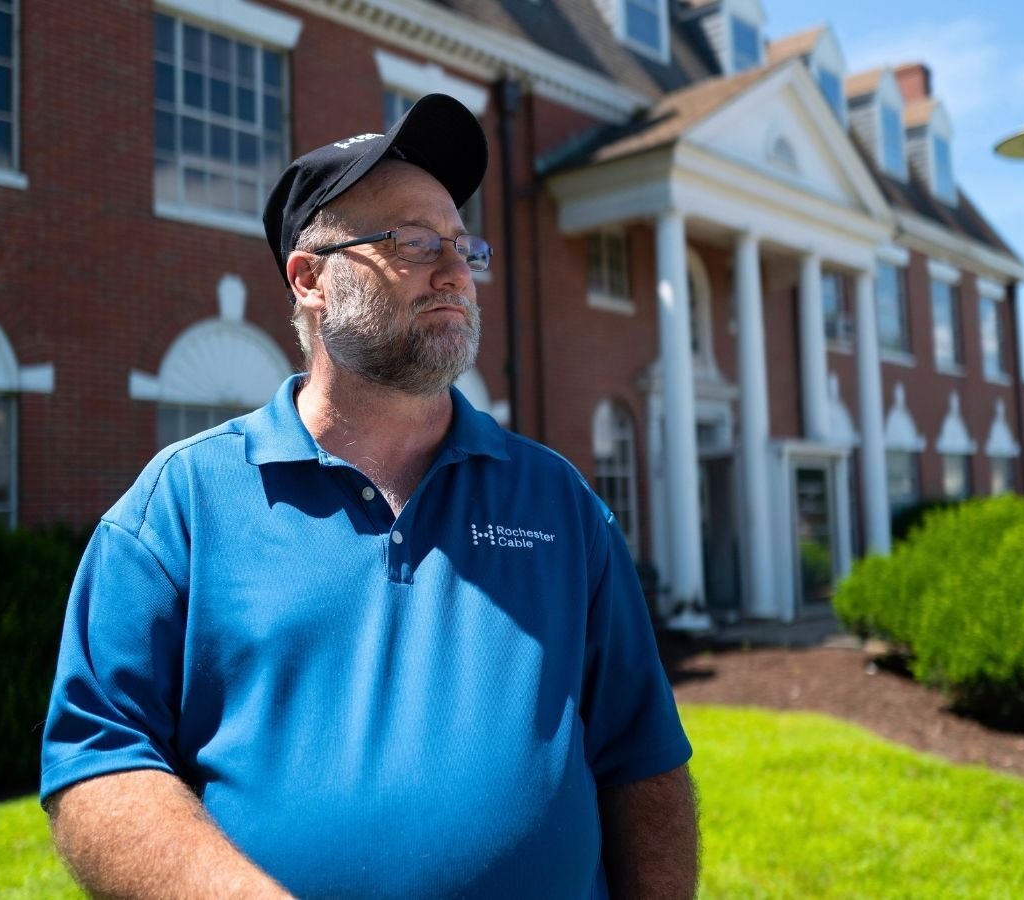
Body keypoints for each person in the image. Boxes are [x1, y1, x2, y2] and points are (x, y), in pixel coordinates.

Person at [40, 93, 697, 899]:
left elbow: (644, 764)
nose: (455, 269)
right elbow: (100, 760)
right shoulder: (178, 507)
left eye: (462, 244)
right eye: (413, 242)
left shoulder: (558, 504)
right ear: (311, 280)